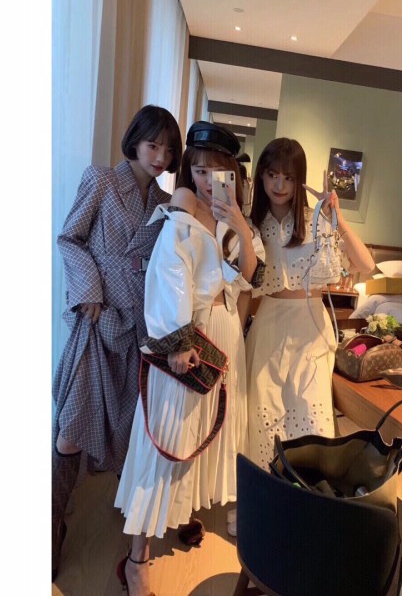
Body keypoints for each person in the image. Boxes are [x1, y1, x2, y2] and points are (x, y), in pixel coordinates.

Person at [114, 121, 265, 596]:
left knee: (205, 433)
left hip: (226, 339)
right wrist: (178, 342)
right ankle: (136, 559)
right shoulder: (180, 211)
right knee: (168, 436)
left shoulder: (233, 220)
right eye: (199, 170)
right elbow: (167, 275)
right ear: (188, 171)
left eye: (218, 171)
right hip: (190, 337)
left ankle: (181, 513)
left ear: (233, 174)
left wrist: (240, 225)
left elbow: (250, 277)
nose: (206, 180)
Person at [52, 105, 182, 581]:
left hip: (136, 330)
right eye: (153, 145)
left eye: (168, 149)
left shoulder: (165, 203)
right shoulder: (102, 180)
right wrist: (89, 290)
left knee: (126, 430)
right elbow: (70, 238)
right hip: (98, 319)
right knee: (70, 429)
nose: (160, 156)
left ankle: (130, 520)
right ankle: (49, 526)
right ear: (135, 141)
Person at [245, 137, 375, 470]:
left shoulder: (316, 220)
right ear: (261, 175)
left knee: (312, 417)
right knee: (263, 416)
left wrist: (337, 217)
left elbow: (365, 265)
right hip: (268, 325)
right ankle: (265, 492)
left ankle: (307, 492)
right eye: (272, 175)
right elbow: (243, 288)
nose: (279, 185)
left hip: (311, 327)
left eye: (288, 177)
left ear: (299, 180)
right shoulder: (250, 224)